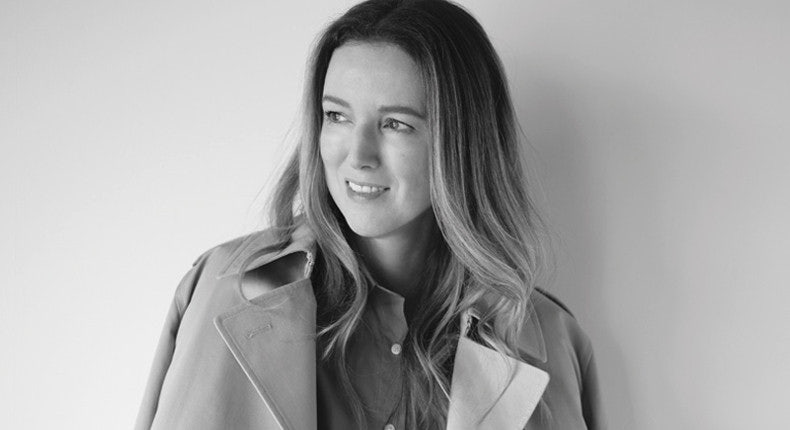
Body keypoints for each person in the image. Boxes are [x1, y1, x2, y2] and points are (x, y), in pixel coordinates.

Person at [134, 0, 606, 429]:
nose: (358, 155)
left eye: (395, 124)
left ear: (463, 143)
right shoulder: (226, 290)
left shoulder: (546, 340)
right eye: (336, 116)